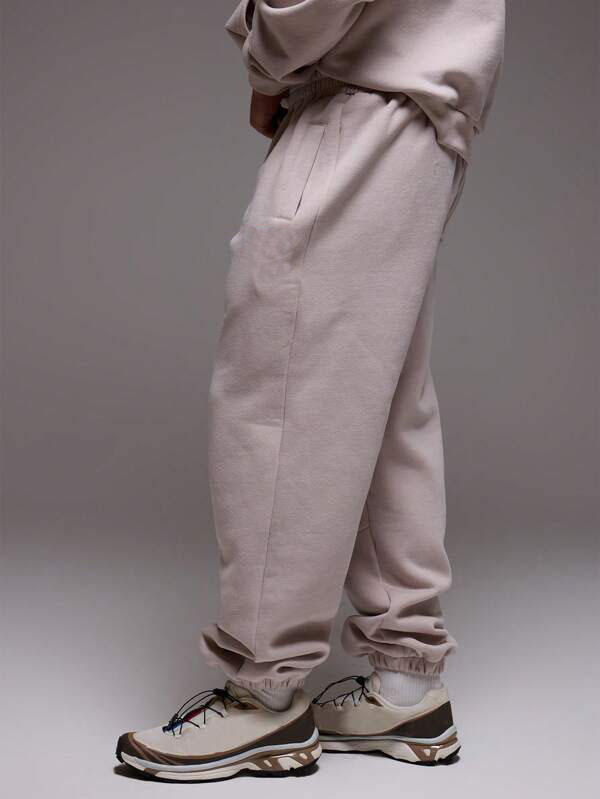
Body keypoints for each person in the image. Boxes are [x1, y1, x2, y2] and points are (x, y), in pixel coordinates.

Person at [116, 0, 505, 781]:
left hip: (361, 96)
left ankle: (264, 692)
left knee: (284, 388)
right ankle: (405, 683)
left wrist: (267, 63)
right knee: (377, 397)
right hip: (423, 107)